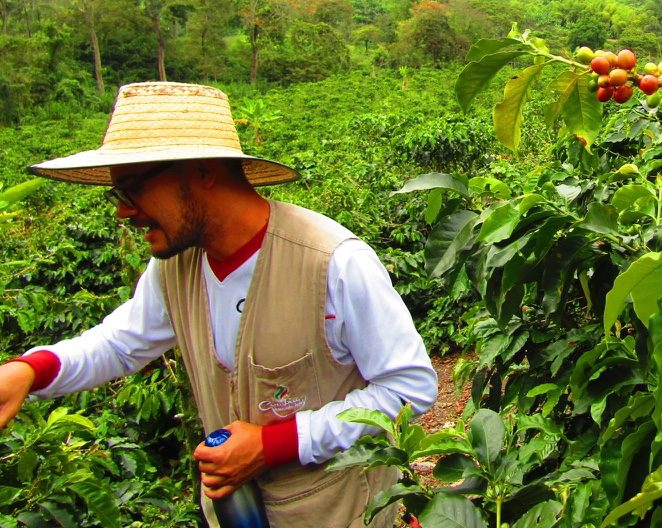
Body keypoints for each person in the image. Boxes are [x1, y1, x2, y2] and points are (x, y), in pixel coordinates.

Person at [0, 81, 437, 527]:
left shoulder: (332, 262)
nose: (123, 212)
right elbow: (119, 343)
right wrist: (29, 371)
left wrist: (273, 445)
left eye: (131, 188)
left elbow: (408, 387)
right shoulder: (176, 265)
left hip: (343, 514)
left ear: (201, 171)